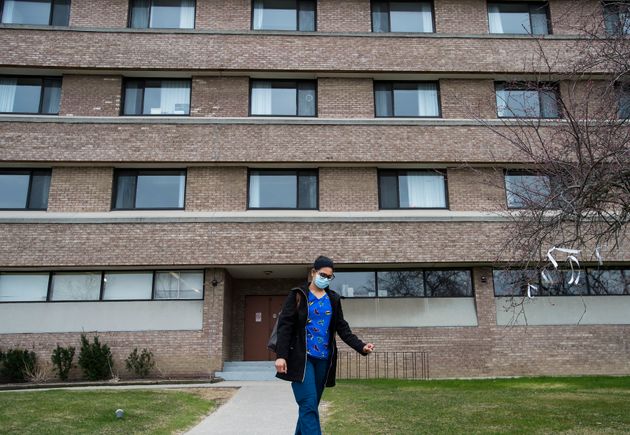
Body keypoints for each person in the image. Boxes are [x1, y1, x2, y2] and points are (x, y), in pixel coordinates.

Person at [274, 255, 375, 435]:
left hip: (323, 360)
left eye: (330, 277)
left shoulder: (333, 299)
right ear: (313, 272)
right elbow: (285, 326)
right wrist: (281, 355)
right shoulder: (298, 294)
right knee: (308, 404)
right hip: (301, 359)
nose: (326, 279)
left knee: (310, 407)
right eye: (323, 274)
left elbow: (342, 328)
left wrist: (361, 346)